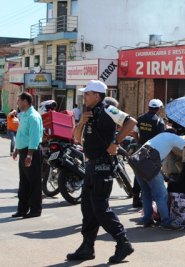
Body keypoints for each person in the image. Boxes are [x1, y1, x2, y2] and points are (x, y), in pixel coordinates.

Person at [68, 80, 137, 263]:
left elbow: (131, 122)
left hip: (103, 166)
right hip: (90, 166)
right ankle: (87, 247)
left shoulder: (108, 109)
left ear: (97, 96)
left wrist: (115, 143)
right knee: (88, 208)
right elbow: (76, 138)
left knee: (100, 208)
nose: (84, 97)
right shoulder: (89, 113)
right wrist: (81, 122)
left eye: (87, 94)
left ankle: (123, 243)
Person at [134, 130, 185, 230]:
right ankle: (166, 222)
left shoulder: (159, 136)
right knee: (162, 194)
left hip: (137, 162)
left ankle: (147, 219)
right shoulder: (172, 137)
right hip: (149, 164)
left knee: (146, 192)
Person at [11, 92, 43, 219]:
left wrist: (29, 155)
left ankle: (35, 209)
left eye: (19, 100)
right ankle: (22, 209)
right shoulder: (24, 115)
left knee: (34, 182)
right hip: (24, 151)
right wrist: (17, 150)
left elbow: (34, 138)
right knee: (24, 182)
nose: (17, 102)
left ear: (25, 101)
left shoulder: (33, 116)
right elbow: (22, 134)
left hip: (32, 152)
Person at [131, 99, 166, 207]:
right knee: (151, 174)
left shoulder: (140, 118)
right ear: (159, 108)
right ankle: (148, 198)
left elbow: (135, 133)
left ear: (149, 107)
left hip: (140, 149)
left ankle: (136, 199)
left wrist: (139, 143)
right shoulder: (159, 121)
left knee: (138, 173)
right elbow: (161, 138)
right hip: (152, 151)